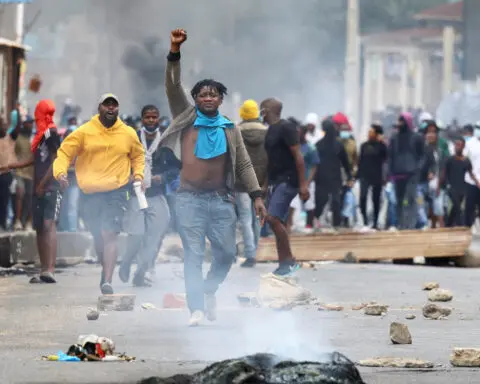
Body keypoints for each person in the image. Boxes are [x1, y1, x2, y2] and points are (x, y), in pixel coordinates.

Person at [159, 29, 266, 326]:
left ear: (220, 99)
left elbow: (243, 164)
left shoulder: (229, 128)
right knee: (193, 254)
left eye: (213, 94)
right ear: (194, 99)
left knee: (227, 255)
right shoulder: (187, 118)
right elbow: (172, 85)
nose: (208, 97)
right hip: (188, 199)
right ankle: (195, 308)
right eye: (202, 94)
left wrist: (257, 196)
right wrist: (174, 51)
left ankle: (208, 291)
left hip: (221, 201)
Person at [53, 93, 145, 294]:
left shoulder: (128, 133)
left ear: (118, 109)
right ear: (99, 108)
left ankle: (108, 281)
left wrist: (138, 175)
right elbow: (64, 153)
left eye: (114, 105)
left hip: (117, 192)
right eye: (107, 105)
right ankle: (106, 268)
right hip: (90, 194)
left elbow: (138, 155)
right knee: (99, 237)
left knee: (109, 233)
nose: (111, 108)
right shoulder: (84, 132)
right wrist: (60, 174)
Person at [5, 100, 61, 283]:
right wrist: (13, 165)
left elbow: (55, 161)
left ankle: (50, 269)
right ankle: (43, 268)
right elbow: (36, 160)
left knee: (48, 225)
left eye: (38, 113)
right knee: (39, 228)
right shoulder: (39, 135)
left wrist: (43, 184)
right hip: (38, 185)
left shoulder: (51, 133)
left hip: (50, 187)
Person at [119, 104, 174, 287]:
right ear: (142, 119)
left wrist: (163, 177)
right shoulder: (132, 138)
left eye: (154, 117)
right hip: (135, 194)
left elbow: (176, 167)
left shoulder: (166, 140)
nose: (151, 120)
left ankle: (141, 272)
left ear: (158, 119)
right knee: (136, 234)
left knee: (155, 236)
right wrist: (129, 175)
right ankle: (127, 261)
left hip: (156, 193)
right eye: (147, 117)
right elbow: (121, 160)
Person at [261, 98, 308, 274]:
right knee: (275, 220)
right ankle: (284, 263)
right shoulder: (271, 130)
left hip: (289, 180)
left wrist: (303, 185)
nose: (260, 115)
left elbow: (298, 156)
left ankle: (289, 260)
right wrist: (265, 184)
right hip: (276, 180)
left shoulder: (286, 127)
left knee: (272, 218)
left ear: (266, 110)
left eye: (262, 111)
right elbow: (269, 160)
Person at [235, 99, 268, 268]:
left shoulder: (237, 131)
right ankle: (254, 250)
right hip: (261, 182)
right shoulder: (267, 132)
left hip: (242, 183)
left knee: (245, 219)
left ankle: (250, 254)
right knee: (257, 218)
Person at [388, 112, 425, 230]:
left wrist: (418, 167)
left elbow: (423, 155)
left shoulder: (417, 137)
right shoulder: (394, 138)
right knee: (399, 200)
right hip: (398, 174)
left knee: (410, 199)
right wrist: (389, 171)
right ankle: (401, 224)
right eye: (399, 121)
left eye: (402, 121)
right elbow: (390, 156)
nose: (400, 124)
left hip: (412, 173)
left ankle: (411, 225)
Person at [315, 118, 352, 229]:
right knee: (326, 200)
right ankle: (319, 219)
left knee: (334, 200)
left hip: (329, 177)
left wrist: (349, 175)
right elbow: (346, 163)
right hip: (325, 178)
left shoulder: (326, 145)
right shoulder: (323, 145)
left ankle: (335, 223)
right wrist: (349, 175)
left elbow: (345, 162)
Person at [288, 124, 320, 233]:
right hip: (294, 180)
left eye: (299, 133)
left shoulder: (311, 148)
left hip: (307, 181)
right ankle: (289, 225)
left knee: (309, 203)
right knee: (292, 203)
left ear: (304, 134)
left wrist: (307, 182)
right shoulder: (293, 147)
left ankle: (309, 225)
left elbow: (314, 166)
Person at [442, 137, 480, 227]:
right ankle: (460, 225)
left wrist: (477, 182)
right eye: (456, 145)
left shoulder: (466, 160)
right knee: (457, 206)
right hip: (451, 187)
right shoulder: (449, 159)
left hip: (462, 187)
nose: (457, 147)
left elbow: (471, 173)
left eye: (459, 145)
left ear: (463, 146)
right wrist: (442, 185)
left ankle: (449, 224)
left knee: (456, 208)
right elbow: (443, 173)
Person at [357, 124, 387, 229]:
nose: (369, 134)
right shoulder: (364, 146)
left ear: (377, 134)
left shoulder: (381, 146)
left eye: (372, 132)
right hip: (364, 176)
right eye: (369, 132)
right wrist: (357, 175)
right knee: (363, 198)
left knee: (376, 200)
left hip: (376, 176)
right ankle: (365, 221)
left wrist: (382, 142)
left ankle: (375, 222)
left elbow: (386, 157)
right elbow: (360, 161)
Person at [0, 106, 21, 230]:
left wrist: (17, 112)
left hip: (6, 175)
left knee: (4, 200)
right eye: (2, 124)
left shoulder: (10, 138)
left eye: (5, 124)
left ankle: (3, 224)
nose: (4, 126)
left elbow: (18, 127)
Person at [12, 116, 34, 231]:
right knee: (19, 196)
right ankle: (18, 221)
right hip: (19, 172)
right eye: (28, 123)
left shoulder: (34, 137)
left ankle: (28, 222)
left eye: (31, 123)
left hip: (32, 173)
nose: (30, 125)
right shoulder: (18, 137)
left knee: (30, 197)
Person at [462, 124, 480, 227]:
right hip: (471, 181)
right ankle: (468, 228)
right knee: (469, 207)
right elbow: (464, 160)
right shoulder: (469, 144)